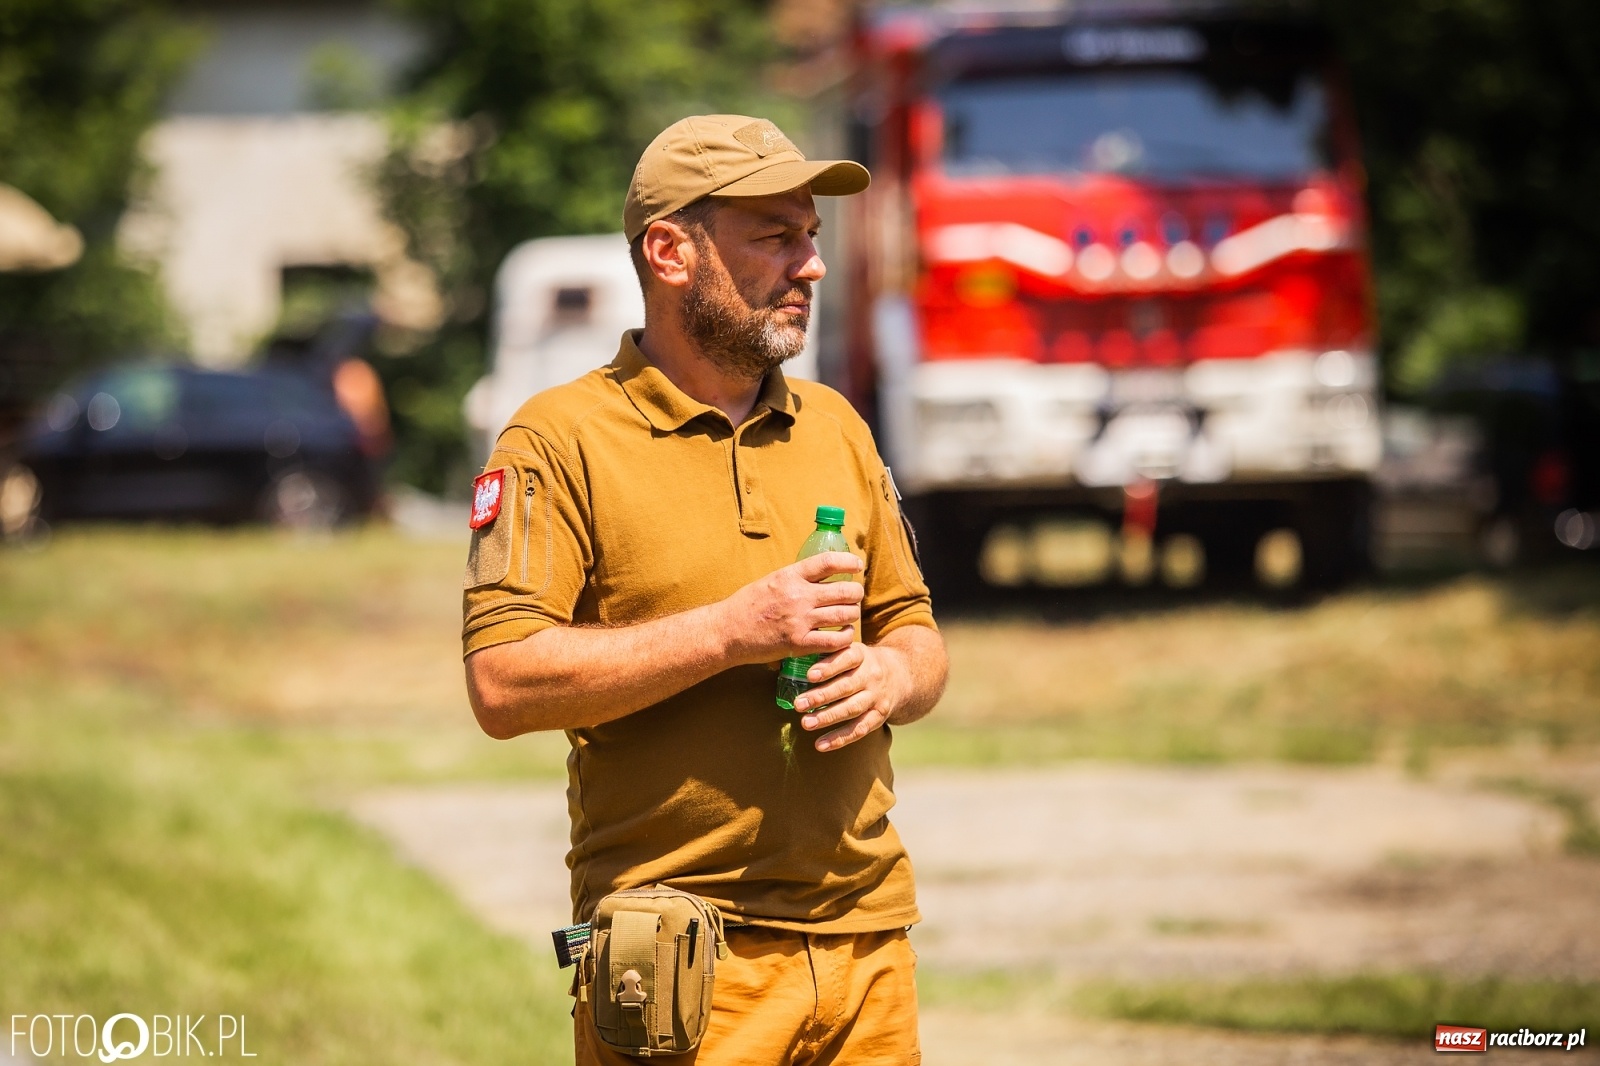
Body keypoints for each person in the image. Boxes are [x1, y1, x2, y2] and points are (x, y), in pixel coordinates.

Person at [462, 114, 948, 1065]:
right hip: (680, 965)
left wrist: (891, 679)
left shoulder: (838, 426)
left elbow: (917, 632)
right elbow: (502, 683)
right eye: (775, 235)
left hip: (866, 944)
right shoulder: (556, 441)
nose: (810, 265)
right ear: (671, 251)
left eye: (810, 235)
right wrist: (734, 631)